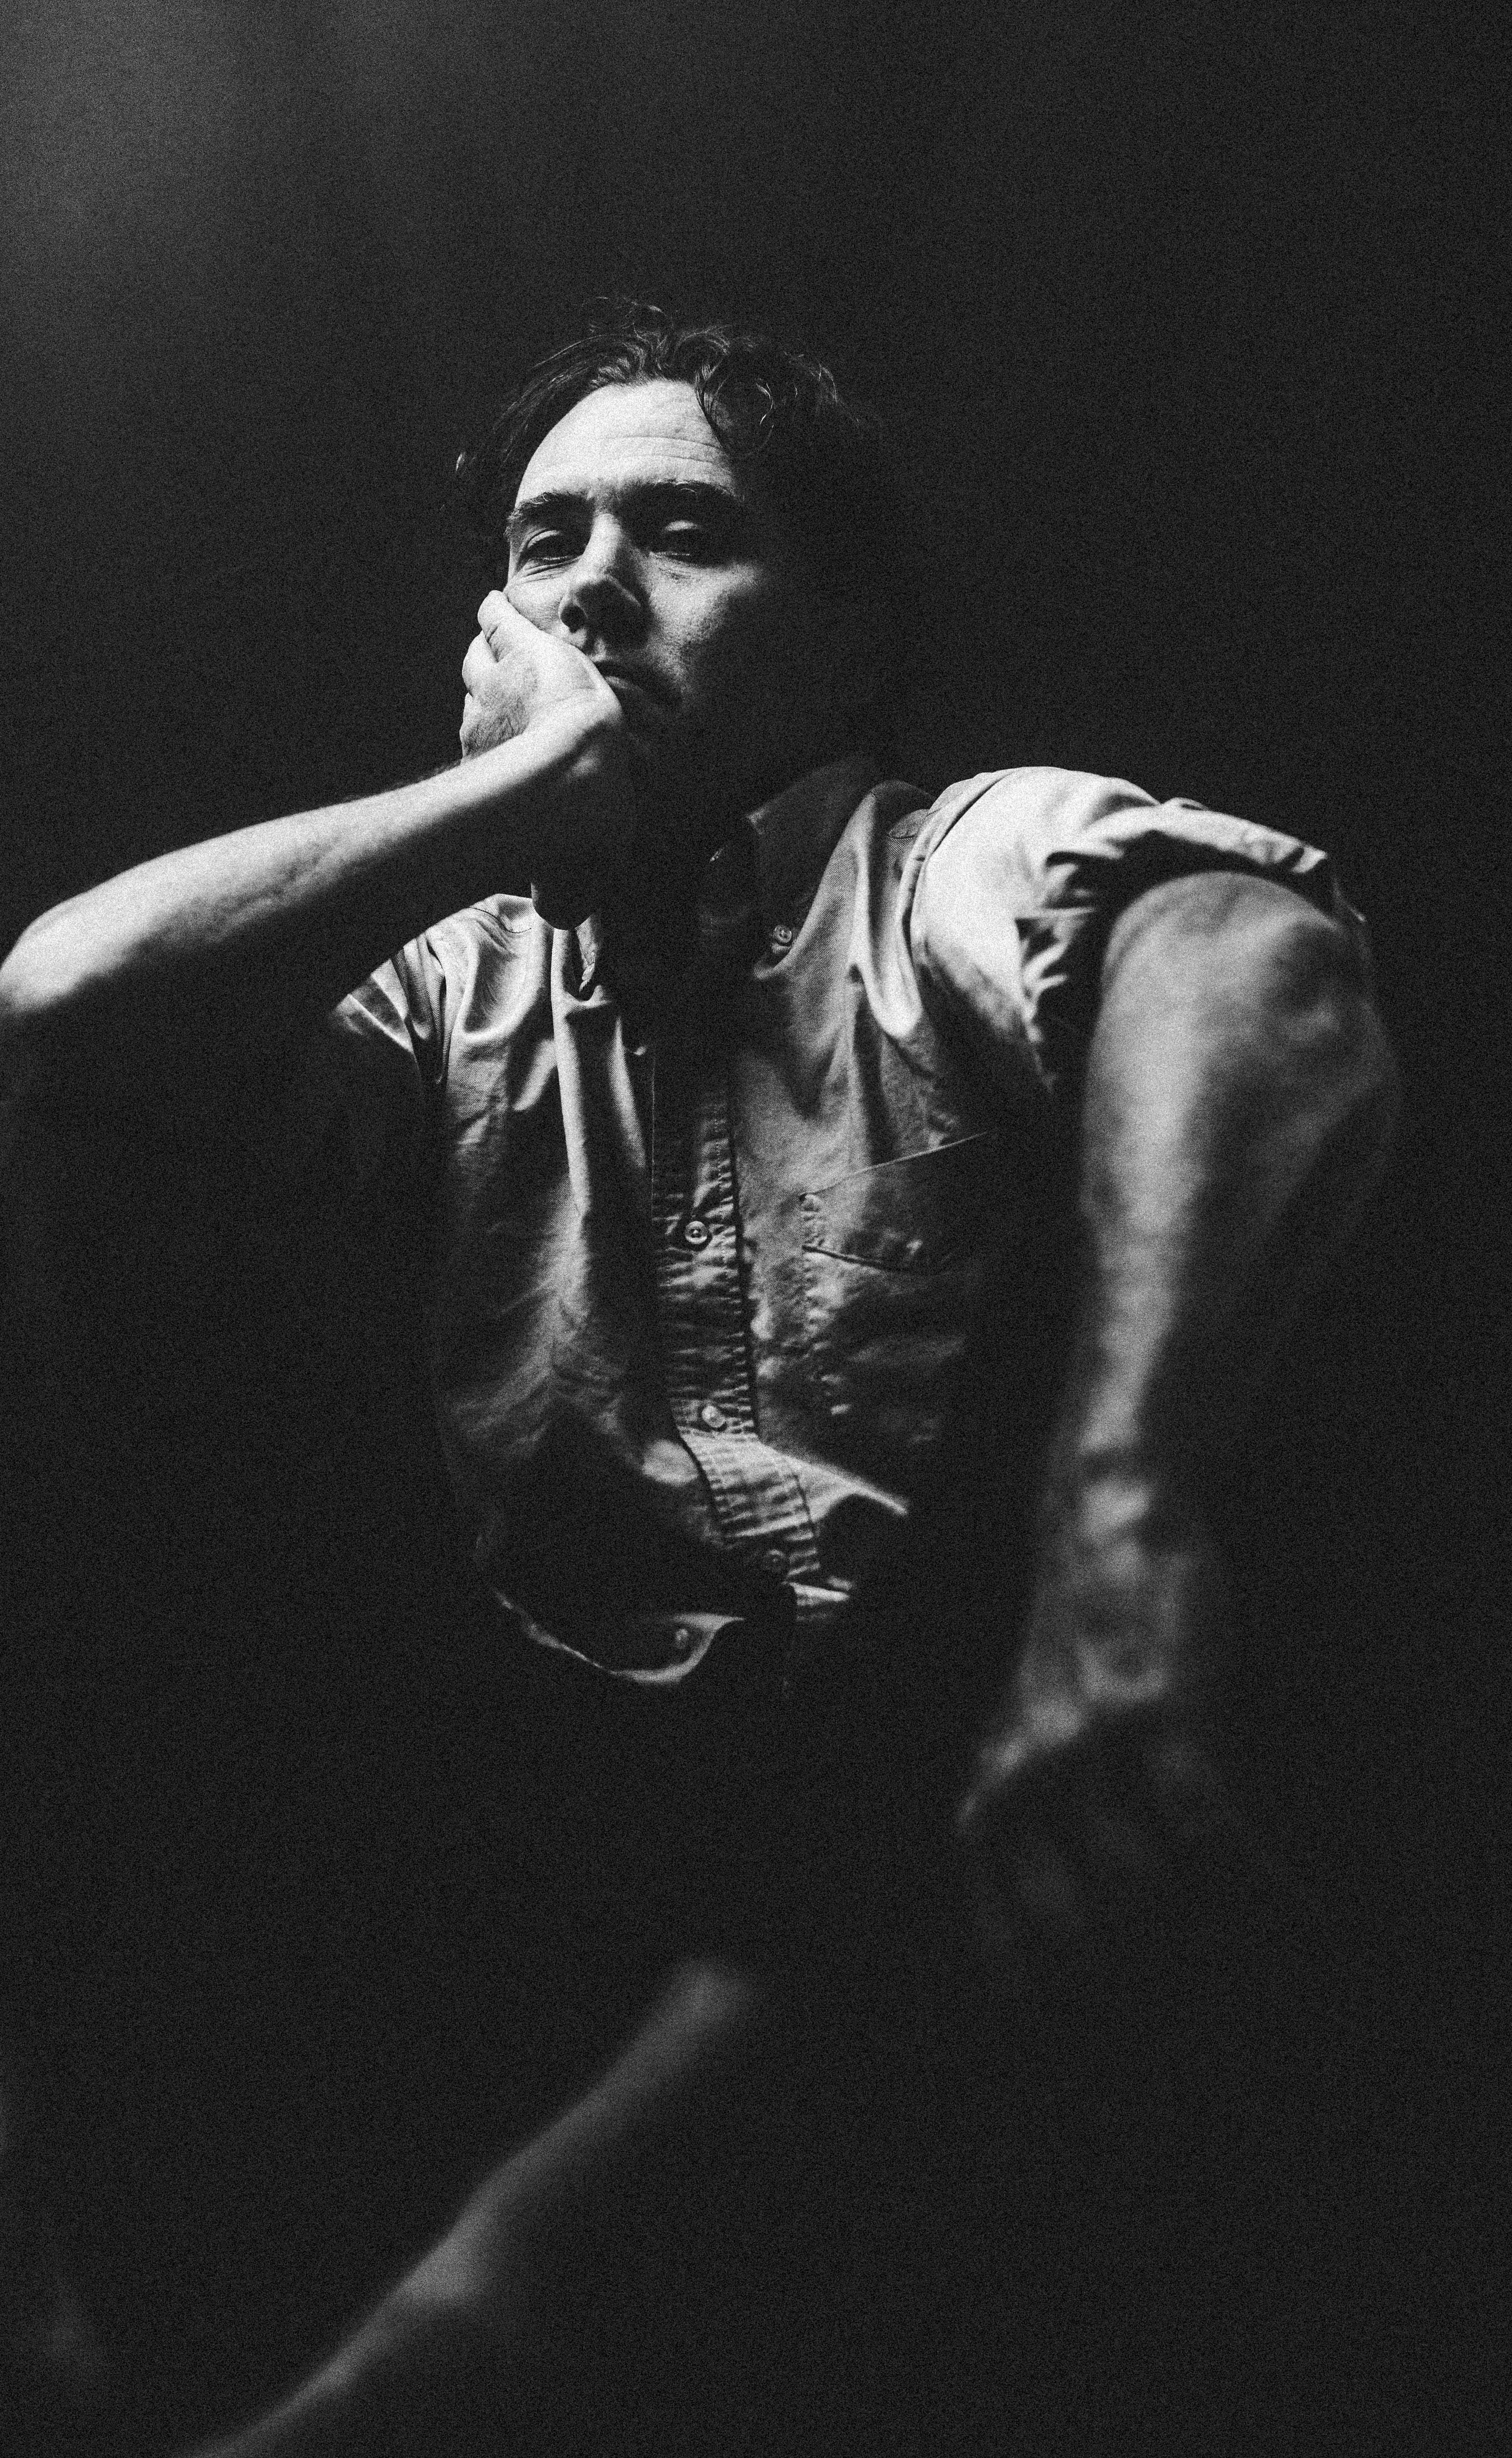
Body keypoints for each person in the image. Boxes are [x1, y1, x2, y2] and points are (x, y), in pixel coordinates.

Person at [0, 306, 1398, 2455]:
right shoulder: (464, 971)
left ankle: (460, 2338)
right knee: (94, 1224)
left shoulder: (939, 860)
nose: (593, 586)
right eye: (544, 541)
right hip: (574, 1790)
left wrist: (1129, 1507)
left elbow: (1256, 964)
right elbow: (64, 1014)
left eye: (681, 532)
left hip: (945, 1739)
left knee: (1006, 1530)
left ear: (845, 642)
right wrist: (515, 796)